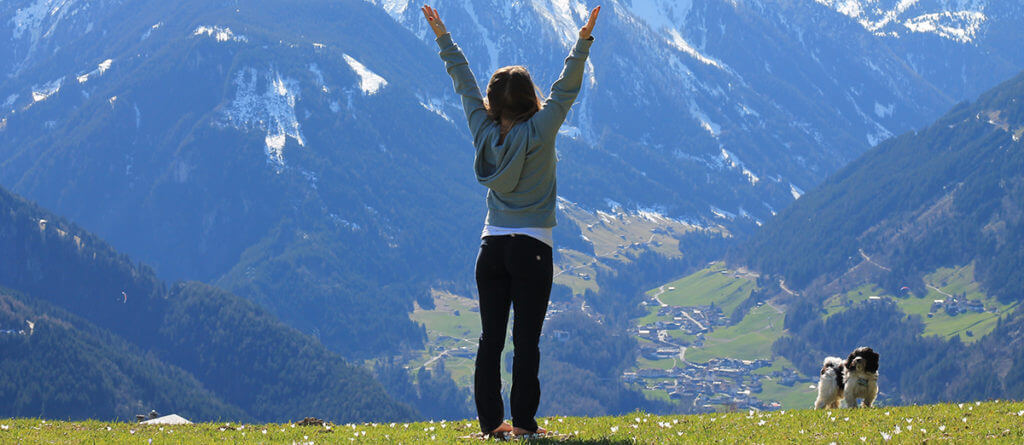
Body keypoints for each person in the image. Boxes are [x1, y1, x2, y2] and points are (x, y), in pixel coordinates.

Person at [420, 4, 600, 438]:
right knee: (526, 344)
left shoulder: (483, 133)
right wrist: (582, 42)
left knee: (489, 341)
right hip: (532, 248)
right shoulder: (541, 130)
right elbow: (566, 89)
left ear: (493, 103)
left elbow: (462, 84)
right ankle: (522, 425)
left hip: (491, 249)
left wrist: (444, 38)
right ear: (528, 99)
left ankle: (490, 425)